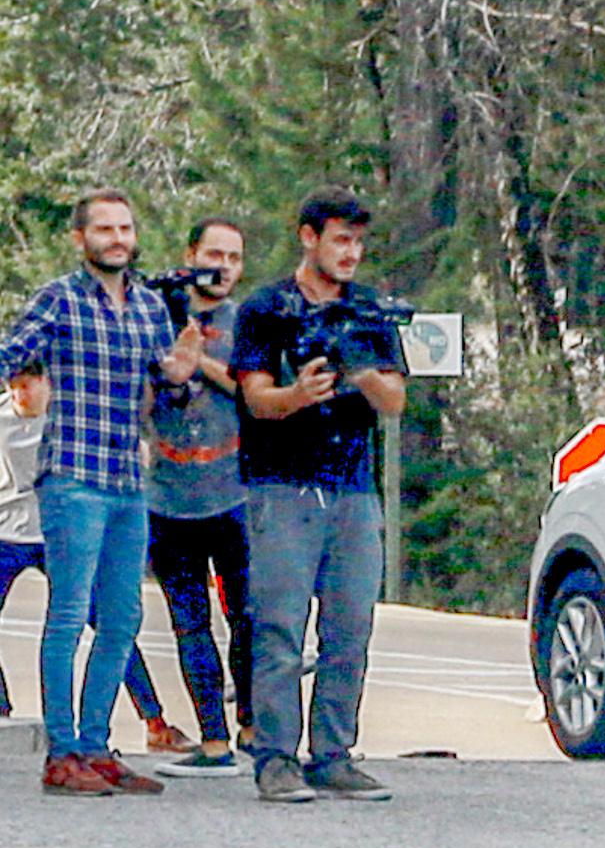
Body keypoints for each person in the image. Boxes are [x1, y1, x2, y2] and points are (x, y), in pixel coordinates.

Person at [5, 191, 211, 796]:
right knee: (67, 615)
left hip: (127, 481)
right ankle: (61, 750)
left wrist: (179, 373)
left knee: (121, 618)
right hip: (72, 476)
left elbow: (165, 395)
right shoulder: (60, 298)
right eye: (104, 228)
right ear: (81, 239)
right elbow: (12, 355)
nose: (117, 237)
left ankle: (97, 746)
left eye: (125, 227)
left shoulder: (149, 306)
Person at [232, 189, 408, 805]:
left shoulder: (368, 311)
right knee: (279, 627)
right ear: (308, 237)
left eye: (358, 242)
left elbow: (394, 401)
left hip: (353, 488)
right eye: (340, 240)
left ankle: (333, 752)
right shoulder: (265, 308)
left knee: (350, 626)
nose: (351, 253)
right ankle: (275, 756)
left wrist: (360, 368)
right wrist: (300, 393)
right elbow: (254, 398)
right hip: (281, 486)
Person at [144, 214, 252, 774]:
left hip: (235, 493)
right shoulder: (151, 316)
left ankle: (254, 726)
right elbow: (141, 401)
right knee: (190, 624)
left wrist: (198, 362)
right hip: (167, 498)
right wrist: (167, 370)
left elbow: (253, 390)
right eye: (214, 256)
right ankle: (214, 741)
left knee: (248, 618)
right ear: (191, 256)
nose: (224, 269)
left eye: (234, 259)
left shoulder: (249, 320)